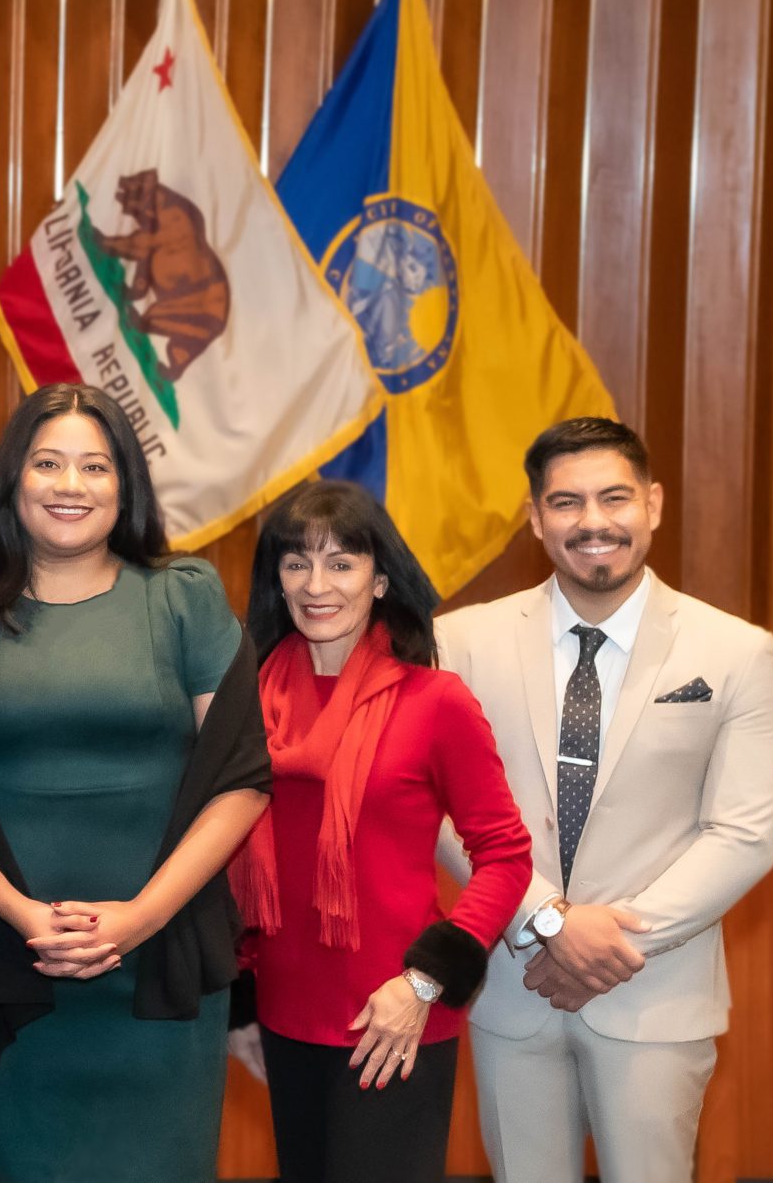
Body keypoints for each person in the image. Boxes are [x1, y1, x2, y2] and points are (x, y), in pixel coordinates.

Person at [0, 383, 271, 1183]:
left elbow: (239, 778)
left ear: (125, 484)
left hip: (159, 970)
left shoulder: (184, 598)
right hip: (11, 966)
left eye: (94, 466)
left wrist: (138, 919)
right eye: (48, 463)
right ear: (14, 477)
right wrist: (27, 918)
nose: (71, 485)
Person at [437, 418, 773, 1183]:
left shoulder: (735, 651)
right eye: (566, 503)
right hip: (513, 988)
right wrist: (549, 921)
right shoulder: (459, 642)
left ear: (653, 505)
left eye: (614, 498)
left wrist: (607, 946)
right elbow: (440, 809)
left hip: (655, 994)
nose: (593, 522)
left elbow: (743, 835)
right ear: (535, 518)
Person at [229, 479, 533, 1183]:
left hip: (393, 1017)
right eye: (296, 562)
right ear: (275, 579)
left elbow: (506, 857)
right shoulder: (244, 699)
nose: (316, 584)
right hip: (281, 1017)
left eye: (341, 562)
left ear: (381, 579)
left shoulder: (436, 702)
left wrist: (424, 984)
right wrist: (238, 1005)